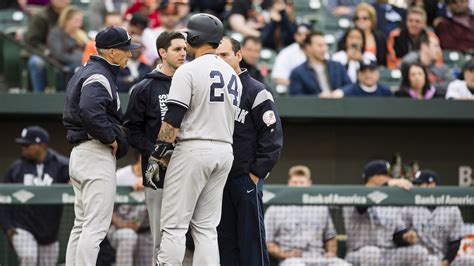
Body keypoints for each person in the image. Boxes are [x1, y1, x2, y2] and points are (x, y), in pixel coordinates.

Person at [143, 13, 242, 264]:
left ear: (195, 38)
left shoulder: (188, 70)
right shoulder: (233, 76)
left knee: (174, 226)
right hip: (224, 150)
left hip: (193, 149)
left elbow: (173, 119)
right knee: (207, 228)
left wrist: (157, 156)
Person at [63, 26, 140, 265]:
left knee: (82, 225)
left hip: (82, 153)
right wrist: (111, 137)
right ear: (111, 53)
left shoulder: (89, 70)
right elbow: (90, 110)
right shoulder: (99, 74)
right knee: (95, 227)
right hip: (95, 151)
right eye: (125, 50)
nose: (130, 54)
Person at [216, 36, 283, 266]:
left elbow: (272, 137)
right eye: (216, 56)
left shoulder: (256, 90)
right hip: (218, 179)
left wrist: (255, 173)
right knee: (224, 242)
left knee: (251, 241)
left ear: (238, 55)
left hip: (245, 178)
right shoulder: (212, 91)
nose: (220, 60)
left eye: (225, 55)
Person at [124, 30, 187, 266]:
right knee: (161, 238)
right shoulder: (144, 88)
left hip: (189, 169)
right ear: (162, 52)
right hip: (157, 174)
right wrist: (158, 154)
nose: (183, 53)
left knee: (192, 236)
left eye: (185, 49)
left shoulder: (191, 81)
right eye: (177, 49)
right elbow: (131, 131)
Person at [0, 126, 69, 266]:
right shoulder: (16, 168)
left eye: (26, 145)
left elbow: (78, 180)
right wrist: (7, 227)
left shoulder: (61, 164)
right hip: (22, 227)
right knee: (28, 257)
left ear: (41, 145)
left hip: (49, 232)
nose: (23, 148)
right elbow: (3, 199)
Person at [343, 160, 430, 266]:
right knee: (372, 253)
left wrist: (406, 236)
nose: (390, 178)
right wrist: (387, 184)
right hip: (359, 253)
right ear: (373, 177)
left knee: (419, 252)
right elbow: (361, 207)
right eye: (386, 175)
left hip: (388, 253)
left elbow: (398, 234)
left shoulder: (390, 202)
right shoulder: (356, 195)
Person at [265, 165, 351, 266]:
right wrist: (285, 254)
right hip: (292, 259)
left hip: (319, 257)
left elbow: (330, 237)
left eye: (301, 182)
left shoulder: (320, 207)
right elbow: (267, 242)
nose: (298, 186)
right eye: (295, 182)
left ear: (309, 183)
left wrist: (331, 253)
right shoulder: (275, 208)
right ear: (289, 183)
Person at [402, 170, 474, 266]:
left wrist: (446, 262)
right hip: (419, 258)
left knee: (469, 260)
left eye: (419, 184)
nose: (416, 188)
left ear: (432, 185)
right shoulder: (410, 206)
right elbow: (399, 234)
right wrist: (406, 236)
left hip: (444, 258)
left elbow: (455, 242)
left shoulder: (451, 209)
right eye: (415, 184)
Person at [107, 152, 153, 266]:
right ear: (141, 157)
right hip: (119, 229)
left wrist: (147, 185)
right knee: (128, 236)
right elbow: (105, 206)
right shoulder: (120, 176)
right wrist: (121, 223)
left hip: (146, 232)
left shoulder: (156, 179)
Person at [289, 31, 351, 97]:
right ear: (308, 47)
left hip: (339, 105)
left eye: (325, 45)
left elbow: (350, 86)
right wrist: (318, 97)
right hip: (313, 107)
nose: (324, 48)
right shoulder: (298, 73)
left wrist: (341, 91)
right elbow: (296, 97)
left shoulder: (337, 66)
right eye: (320, 45)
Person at [26, 0, 71, 92]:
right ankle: (39, 95)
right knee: (36, 62)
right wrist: (48, 51)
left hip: (67, 52)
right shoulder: (41, 16)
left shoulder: (73, 16)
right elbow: (33, 41)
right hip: (45, 52)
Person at [47, 5, 89, 90]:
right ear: (66, 20)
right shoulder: (55, 34)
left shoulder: (81, 34)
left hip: (83, 64)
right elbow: (58, 54)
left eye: (80, 21)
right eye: (76, 20)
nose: (79, 24)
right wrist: (81, 59)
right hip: (64, 66)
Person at [271, 22, 311, 93]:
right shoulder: (286, 53)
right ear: (295, 36)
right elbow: (277, 77)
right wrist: (300, 86)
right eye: (300, 34)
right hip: (292, 93)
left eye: (306, 34)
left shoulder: (318, 51)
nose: (303, 37)